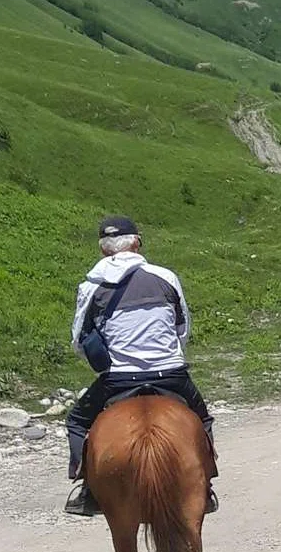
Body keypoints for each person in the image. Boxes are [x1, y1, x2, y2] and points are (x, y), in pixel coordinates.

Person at [64, 216, 217, 517]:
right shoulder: (165, 277)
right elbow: (182, 328)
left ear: (103, 250)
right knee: (202, 418)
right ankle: (206, 483)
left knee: (77, 421)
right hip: (171, 374)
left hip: (118, 379)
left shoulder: (92, 284)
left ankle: (86, 487)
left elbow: (79, 340)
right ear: (136, 243)